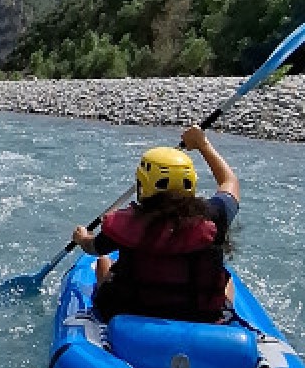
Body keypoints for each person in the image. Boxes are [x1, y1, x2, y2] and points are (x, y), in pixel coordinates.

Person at [71, 125, 240, 324]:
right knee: (227, 280)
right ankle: (223, 323)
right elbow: (229, 181)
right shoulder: (215, 215)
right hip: (201, 317)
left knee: (103, 262)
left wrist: (82, 237)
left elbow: (94, 248)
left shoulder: (124, 222)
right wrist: (202, 144)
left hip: (128, 311)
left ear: (143, 184)